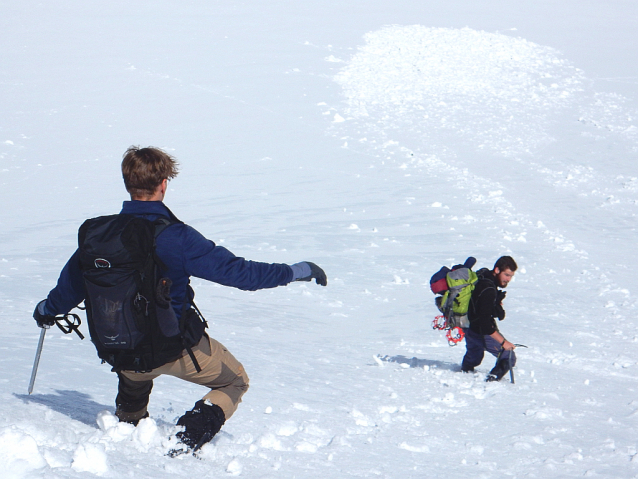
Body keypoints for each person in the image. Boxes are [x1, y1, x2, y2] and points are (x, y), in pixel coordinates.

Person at [32, 146, 327, 451]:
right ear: (163, 184)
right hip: (172, 350)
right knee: (235, 381)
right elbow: (242, 275)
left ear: (127, 184)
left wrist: (45, 310)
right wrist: (297, 271)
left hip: (119, 351)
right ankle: (189, 434)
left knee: (135, 368)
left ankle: (129, 418)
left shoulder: (99, 236)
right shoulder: (176, 237)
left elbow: (66, 292)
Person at [460, 256, 517, 381]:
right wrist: (503, 343)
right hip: (479, 329)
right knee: (508, 356)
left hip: (467, 325)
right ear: (497, 270)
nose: (508, 279)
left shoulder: (483, 275)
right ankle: (491, 381)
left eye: (511, 276)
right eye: (506, 275)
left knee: (475, 354)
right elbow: (485, 324)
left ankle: (464, 373)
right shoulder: (489, 289)